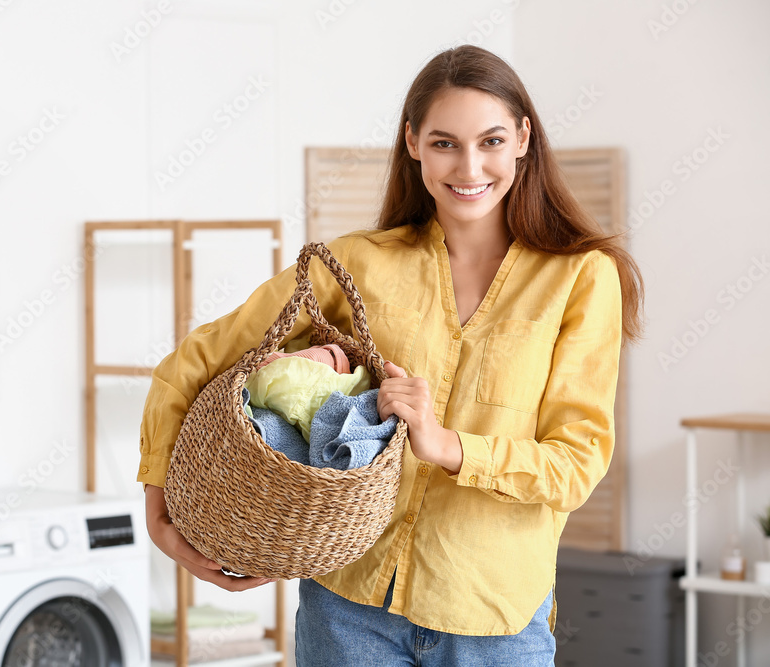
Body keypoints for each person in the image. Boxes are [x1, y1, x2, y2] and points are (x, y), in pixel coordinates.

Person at [138, 44, 645, 666]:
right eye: (444, 143)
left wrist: (448, 445)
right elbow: (194, 361)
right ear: (411, 143)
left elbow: (578, 462)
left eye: (490, 141)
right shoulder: (357, 263)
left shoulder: (581, 278)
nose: (469, 166)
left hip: (494, 622)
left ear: (523, 139)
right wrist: (159, 510)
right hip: (346, 610)